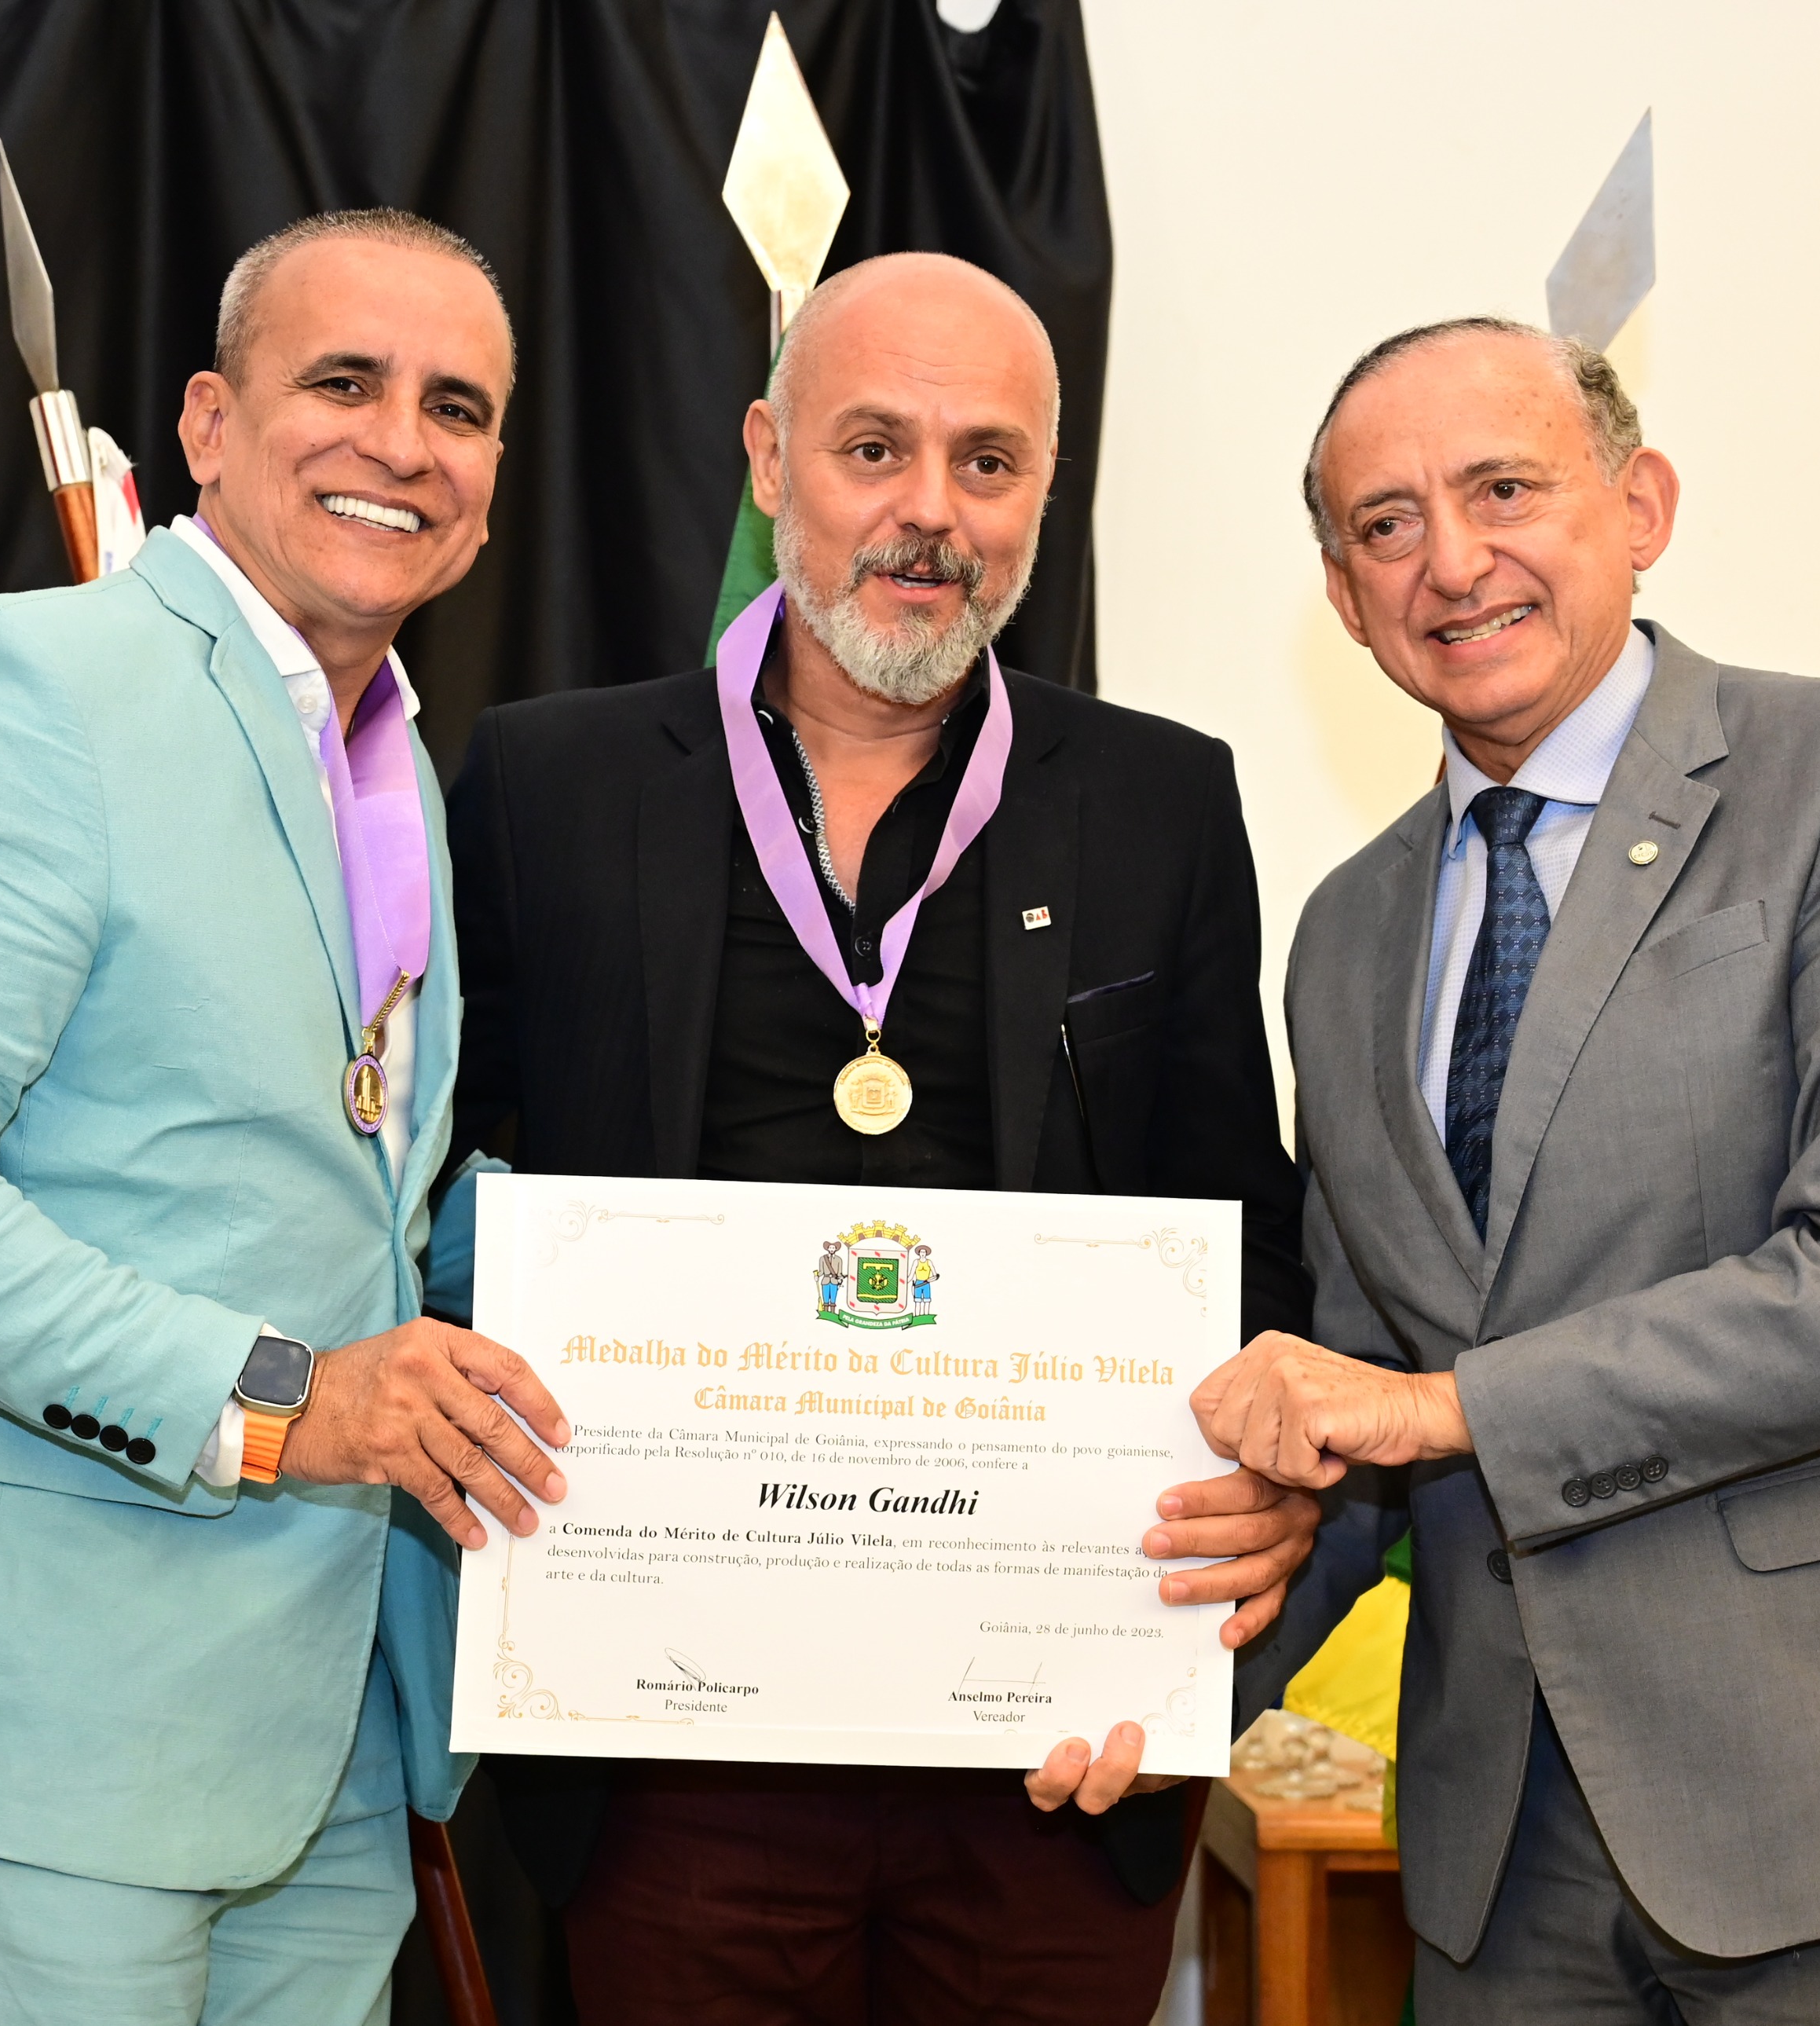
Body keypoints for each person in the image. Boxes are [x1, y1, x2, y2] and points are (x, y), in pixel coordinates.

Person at [1206, 317, 1820, 2022]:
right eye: (1387, 524)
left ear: (1640, 507)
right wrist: (1136, 1680)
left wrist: (1446, 1410)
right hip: (1505, 1850)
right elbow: (1355, 1390)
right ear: (1343, 597)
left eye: (1504, 489)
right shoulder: (1343, 936)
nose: (1451, 561)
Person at [444, 251, 1319, 2024]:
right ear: (770, 461)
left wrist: (1266, 1510)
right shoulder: (550, 785)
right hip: (668, 1754)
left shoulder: (1160, 800)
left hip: (1052, 1760)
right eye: (873, 449)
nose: (931, 511)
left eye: (988, 461)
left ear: (1045, 492)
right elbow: (430, 1201)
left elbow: (1247, 1240)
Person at [0, 210, 569, 2025]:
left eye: (458, 408)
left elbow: (351, 1191)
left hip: (334, 1731)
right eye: (342, 382)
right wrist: (279, 1396)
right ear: (205, 422)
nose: (401, 442)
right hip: (47, 1723)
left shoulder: (396, 761)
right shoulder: (29, 683)